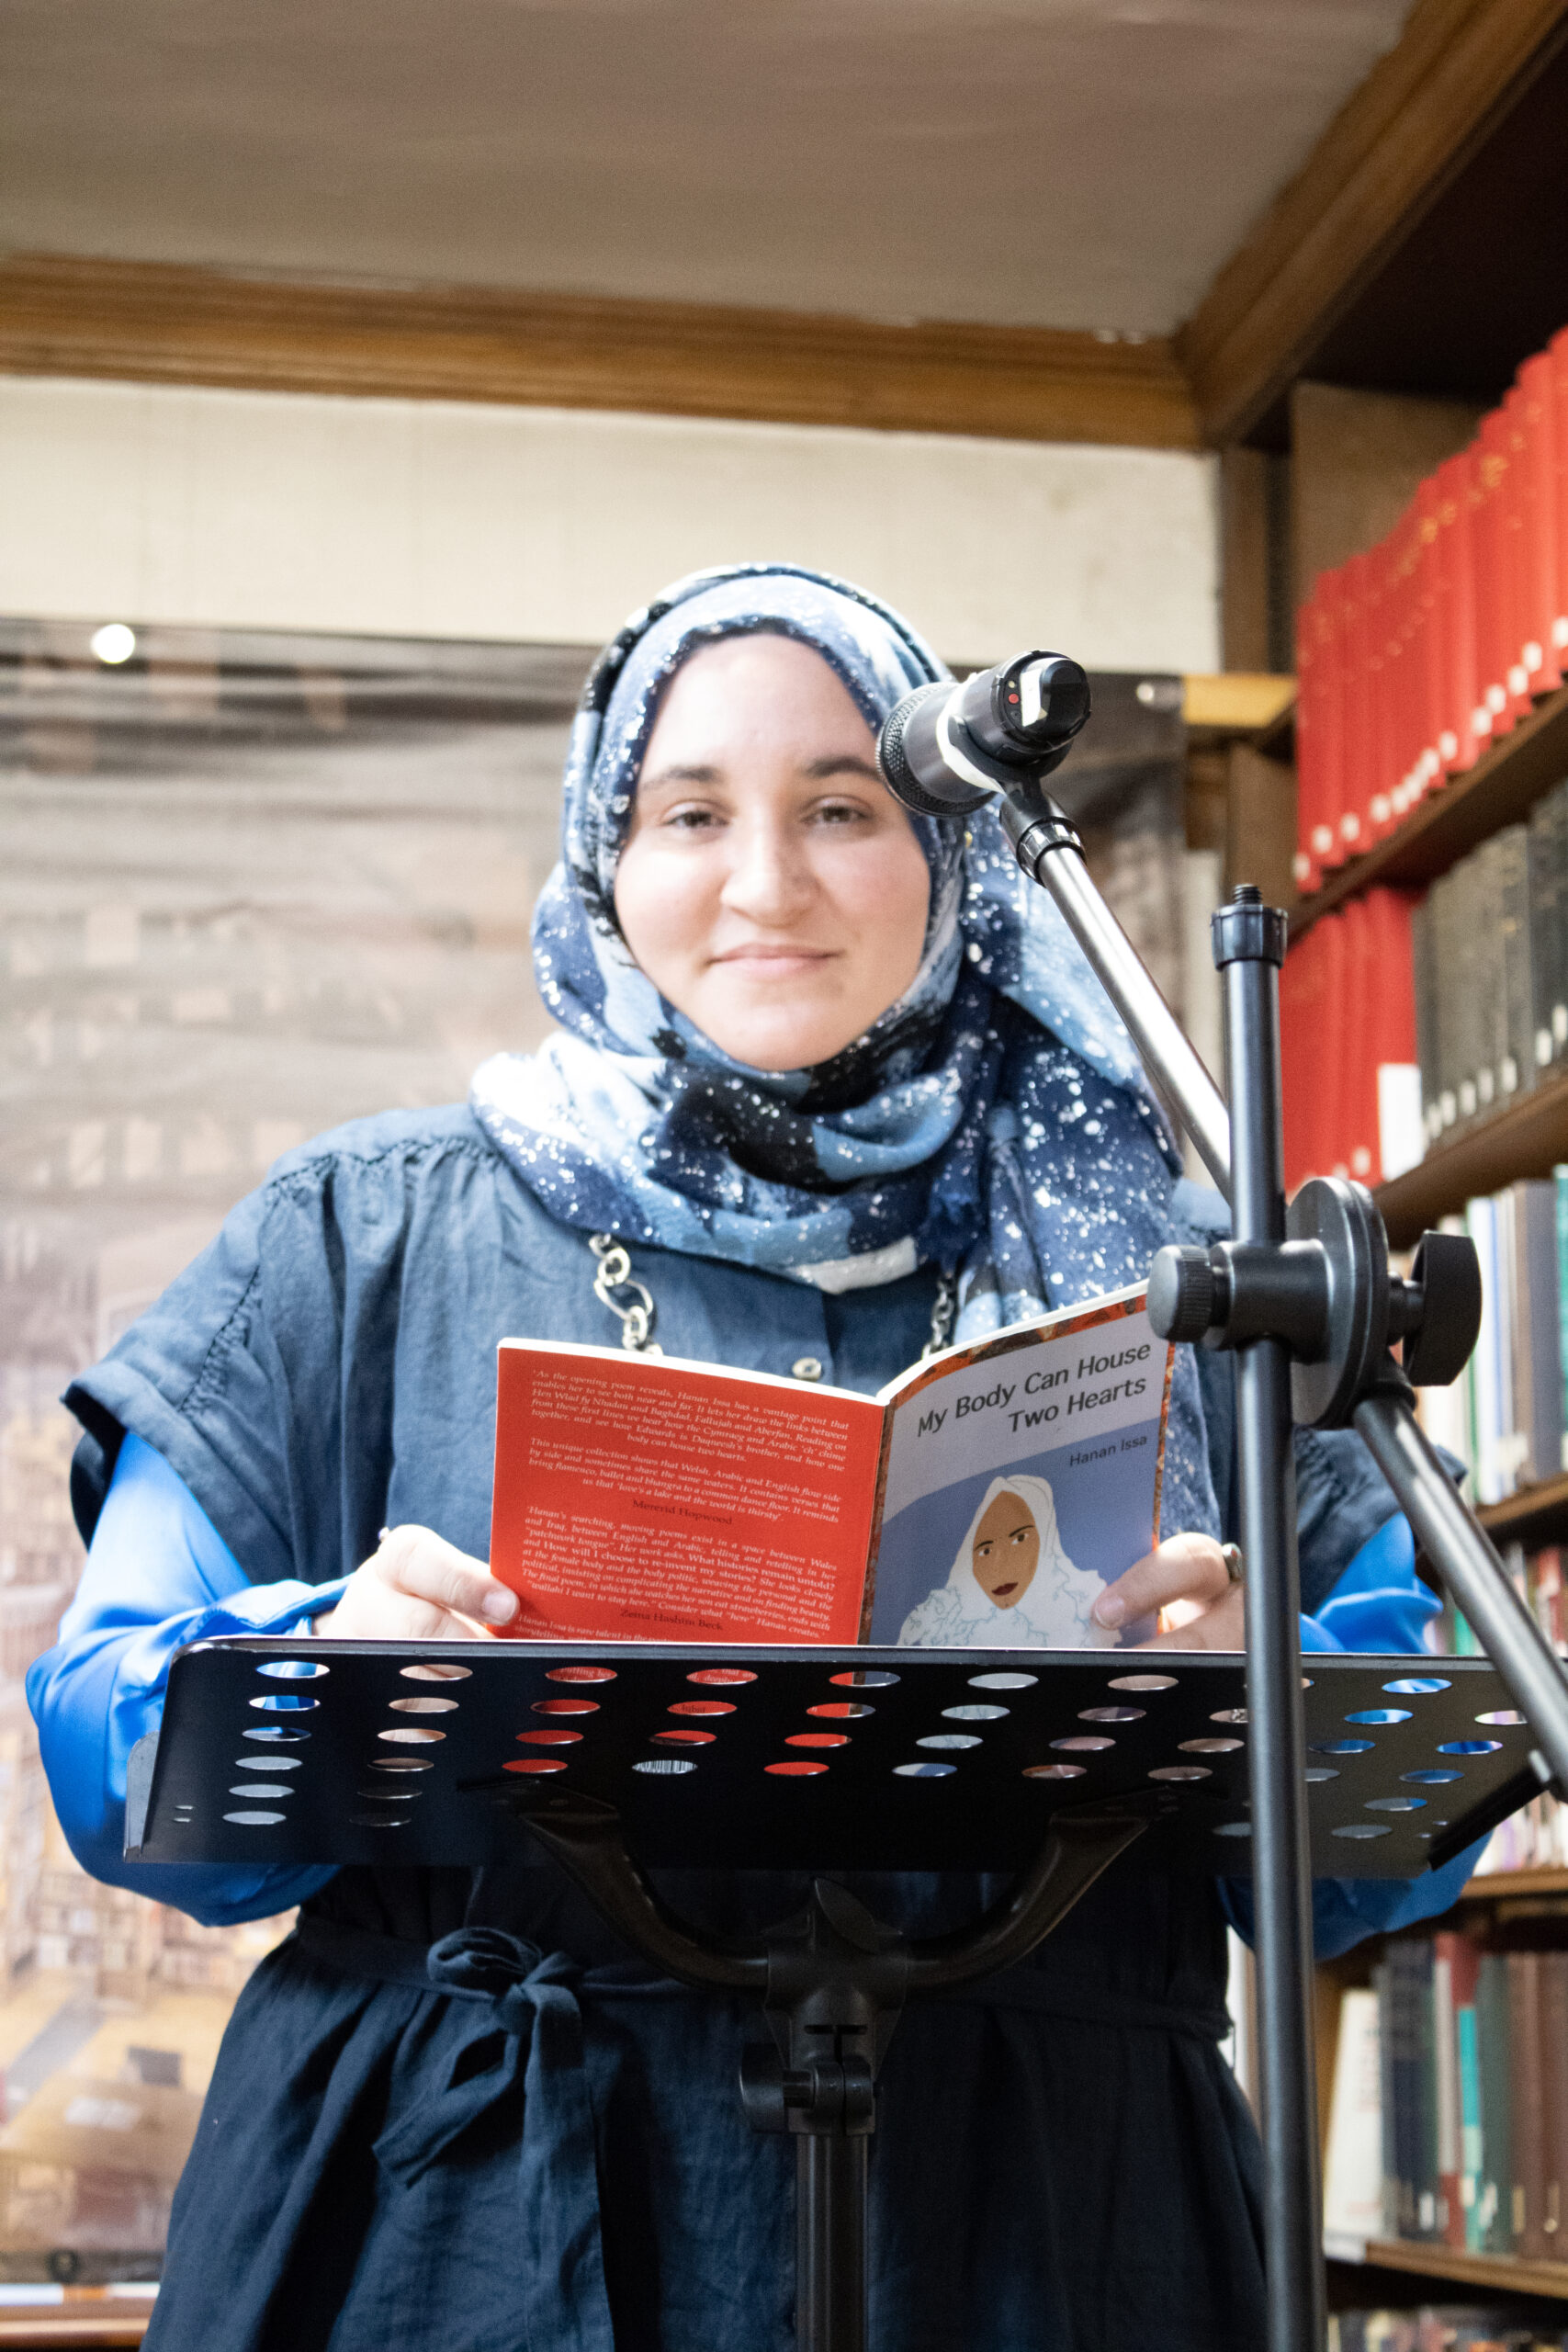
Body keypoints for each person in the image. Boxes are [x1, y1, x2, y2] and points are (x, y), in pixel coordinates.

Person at [30, 564, 1474, 2352]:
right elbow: (108, 1738)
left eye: (845, 807)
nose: (765, 880)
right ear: (602, 853)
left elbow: (1401, 1829)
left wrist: (1246, 1684)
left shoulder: (1176, 1255)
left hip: (1049, 2219)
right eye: (690, 809)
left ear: (951, 849)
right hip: (473, 2216)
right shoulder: (360, 1228)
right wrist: (333, 1647)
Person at [897, 1473, 1114, 1648]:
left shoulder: (1089, 1611)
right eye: (985, 1551)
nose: (999, 1565)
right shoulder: (943, 1633)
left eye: (1019, 1539)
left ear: (1046, 1540)